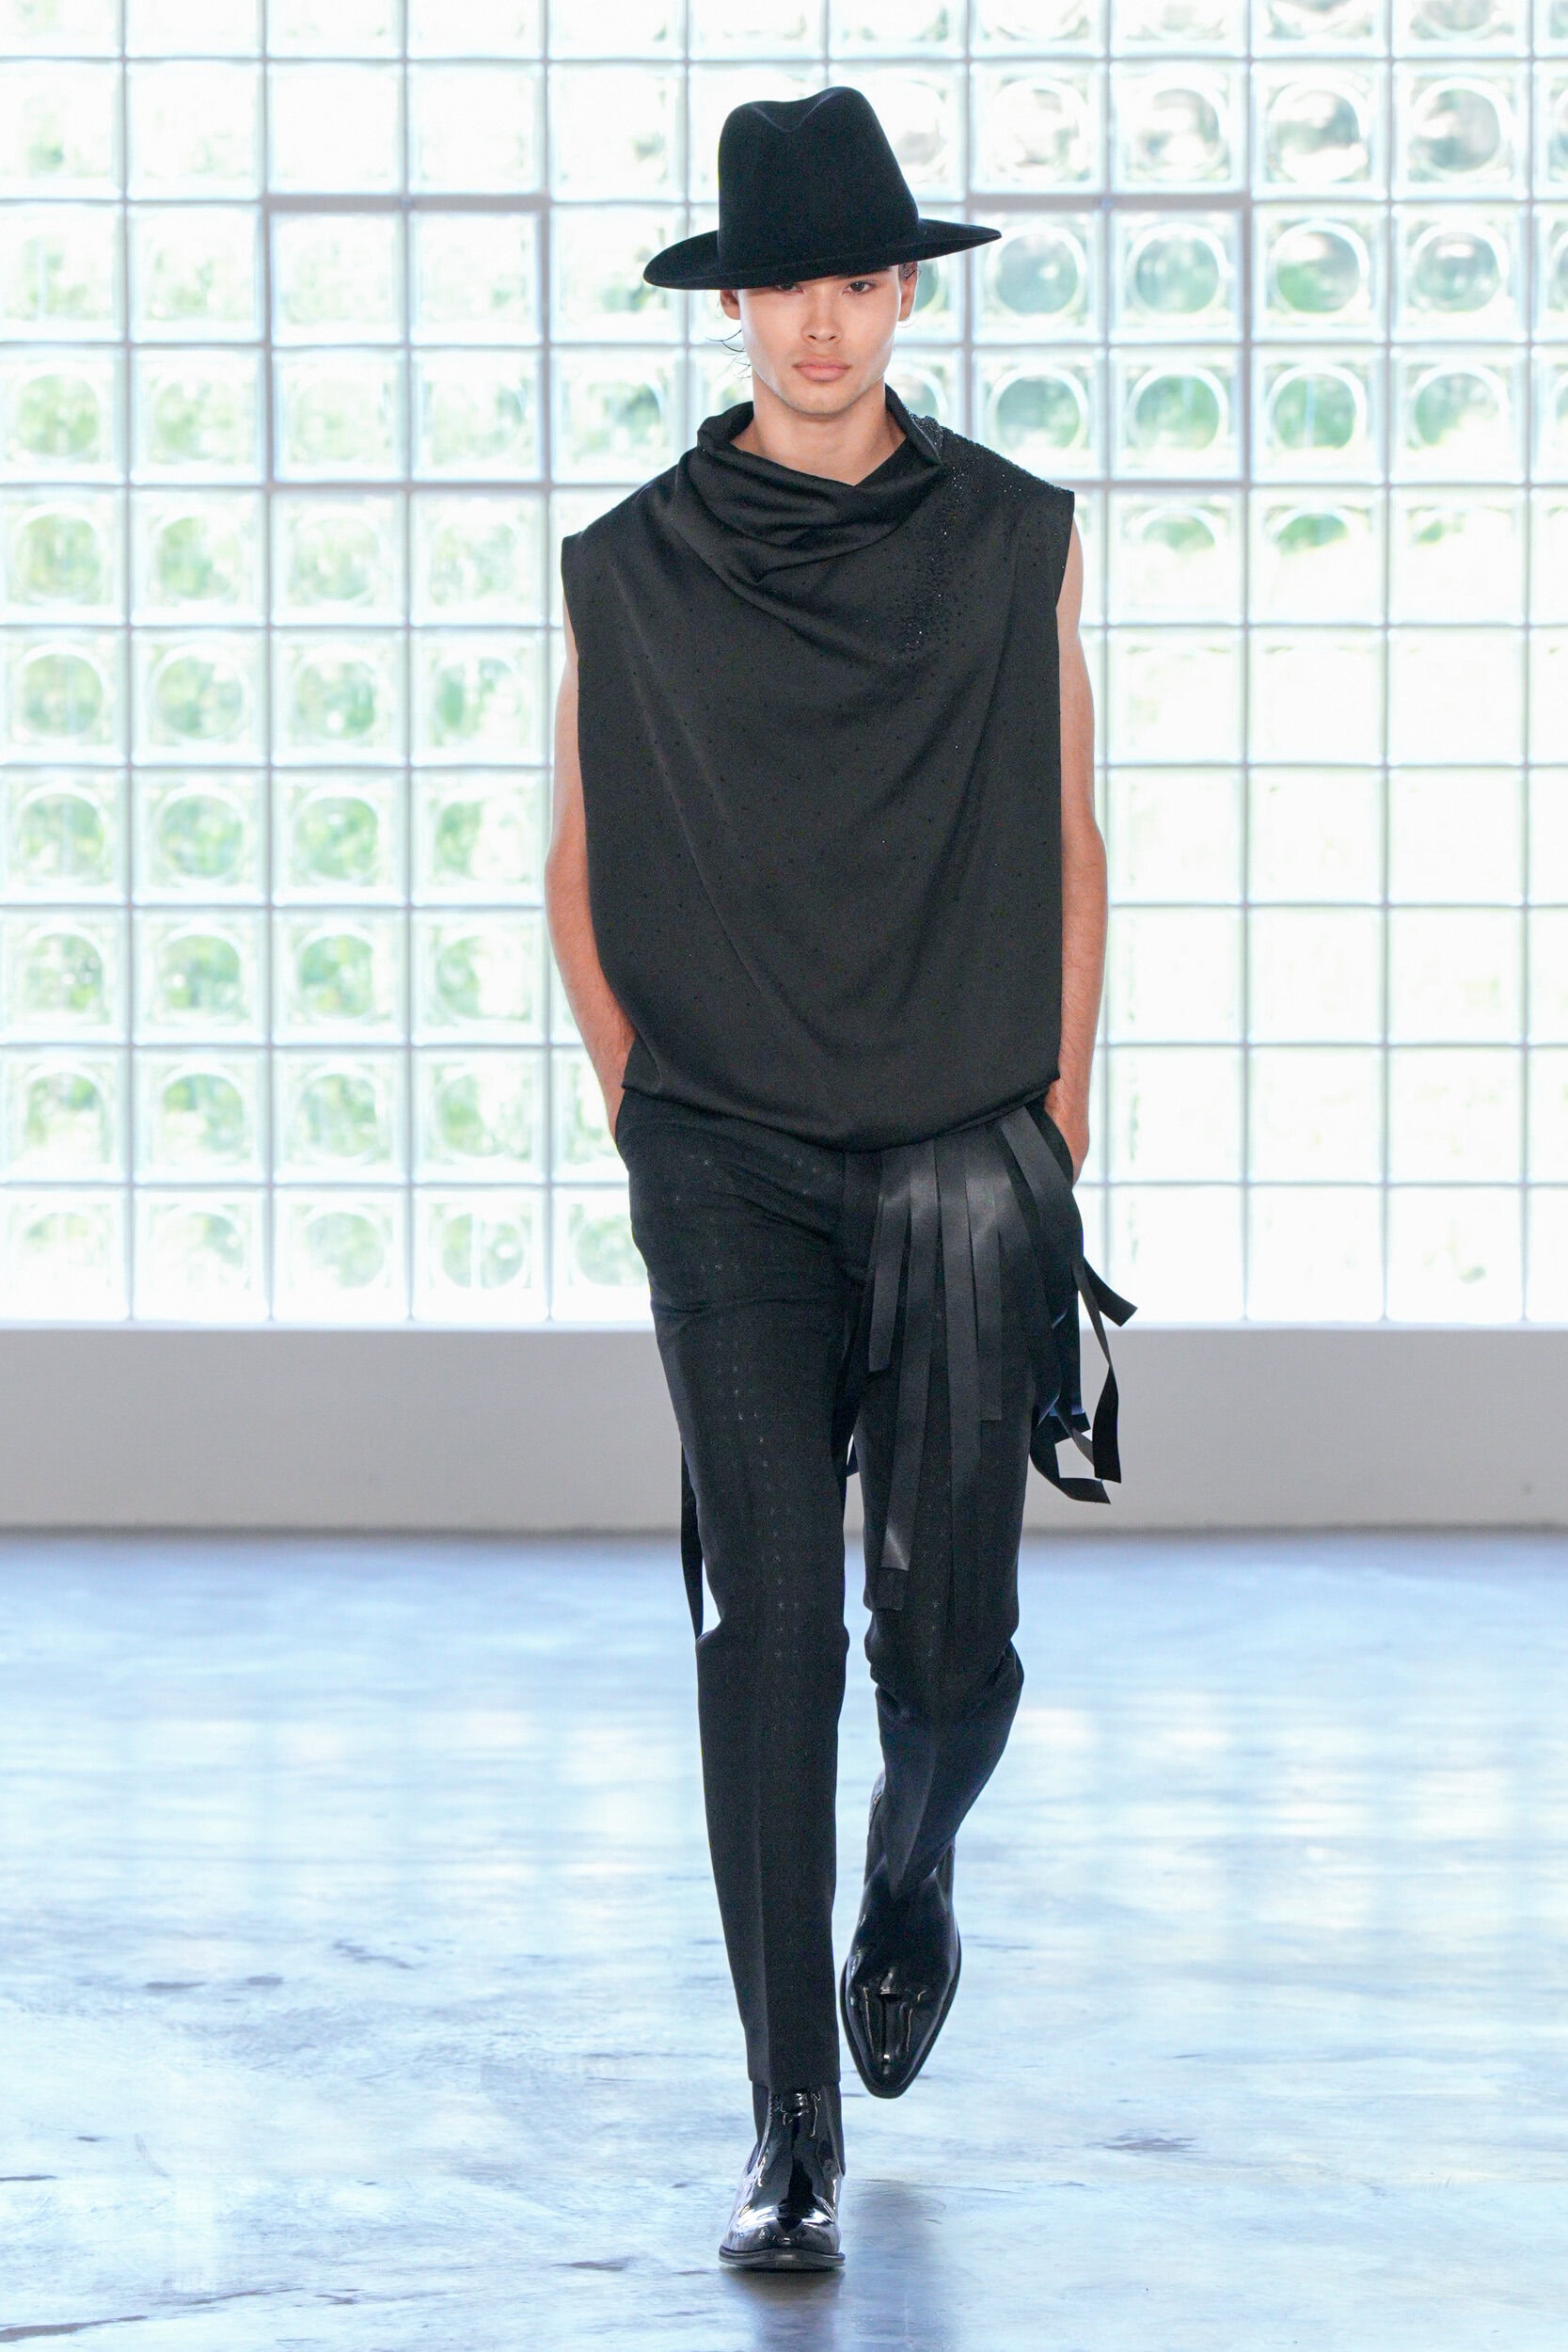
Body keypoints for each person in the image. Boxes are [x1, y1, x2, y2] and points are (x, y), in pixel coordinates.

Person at [545, 85, 1132, 2272]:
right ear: (735, 305)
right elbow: (574, 859)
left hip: (962, 1141)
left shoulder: (1010, 541)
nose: (821, 322)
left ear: (903, 294)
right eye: (786, 283)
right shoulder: (631, 566)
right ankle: (788, 2118)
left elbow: (1074, 837)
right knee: (769, 1616)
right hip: (727, 1153)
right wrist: (642, 1105)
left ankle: (913, 1855)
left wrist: (1057, 1115)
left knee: (948, 1643)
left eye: (858, 280)